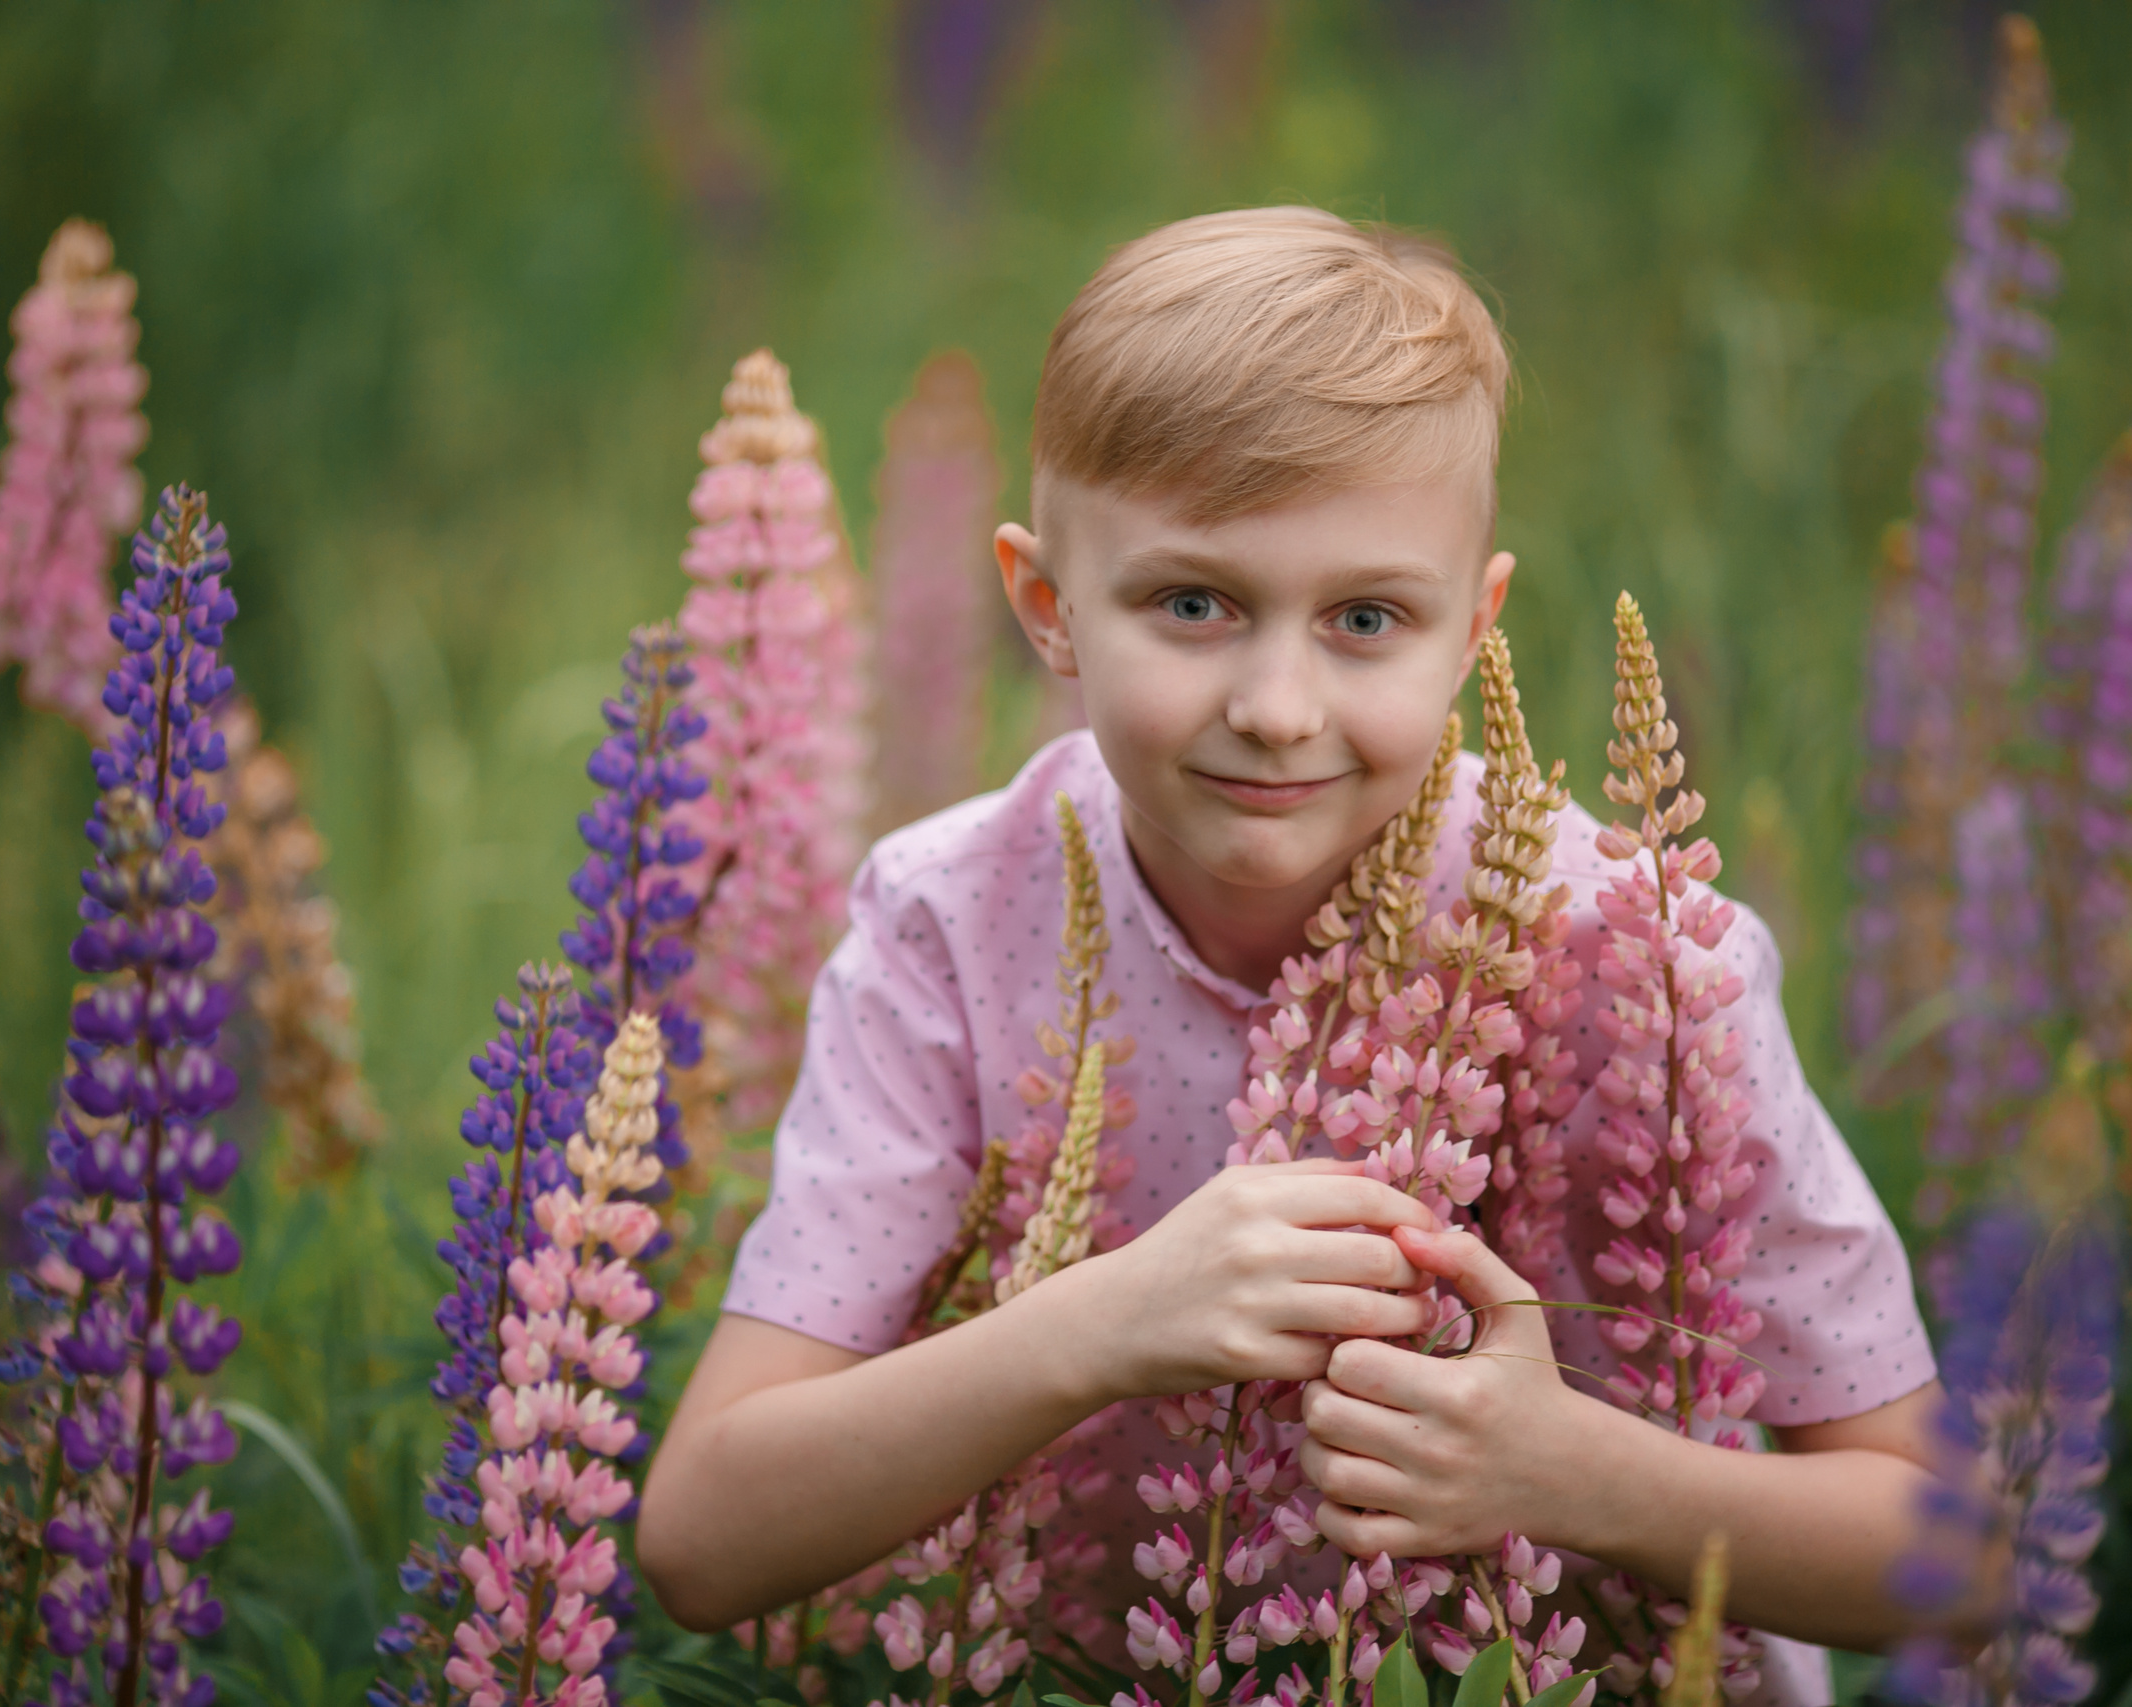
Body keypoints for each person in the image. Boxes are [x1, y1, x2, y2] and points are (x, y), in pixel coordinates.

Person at [638, 207, 1959, 1701]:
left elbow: (1964, 1557)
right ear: (1046, 607)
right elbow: (703, 1537)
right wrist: (1104, 1322)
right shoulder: (947, 920)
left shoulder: (1642, 957)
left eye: (1365, 618)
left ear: (1476, 628)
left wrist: (1577, 1475)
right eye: (1192, 603)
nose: (1276, 703)